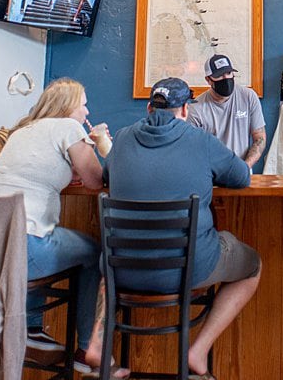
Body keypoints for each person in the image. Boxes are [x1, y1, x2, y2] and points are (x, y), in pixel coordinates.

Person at [104, 77, 262, 379]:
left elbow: (105, 175)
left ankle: (100, 344)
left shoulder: (122, 138)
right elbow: (242, 176)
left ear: (149, 107)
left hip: (120, 271)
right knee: (252, 264)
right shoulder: (200, 141)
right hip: (188, 269)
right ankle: (198, 349)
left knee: (97, 255)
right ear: (186, 110)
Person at [0, 78, 127, 377]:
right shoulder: (69, 128)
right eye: (83, 104)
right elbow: (96, 181)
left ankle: (33, 330)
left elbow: (45, 170)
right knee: (95, 254)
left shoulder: (21, 131)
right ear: (69, 105)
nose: (86, 112)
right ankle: (86, 349)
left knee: (44, 239)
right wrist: (97, 143)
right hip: (22, 249)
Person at [188, 53, 267, 168]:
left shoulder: (248, 97)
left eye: (229, 73)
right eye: (220, 75)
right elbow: (193, 149)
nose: (226, 78)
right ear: (208, 80)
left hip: (243, 172)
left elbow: (259, 137)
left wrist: (245, 167)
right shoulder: (196, 108)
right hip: (211, 176)